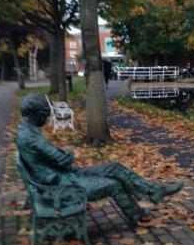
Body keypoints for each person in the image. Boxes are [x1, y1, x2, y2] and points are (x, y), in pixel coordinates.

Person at [16, 94, 184, 223]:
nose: (46, 119)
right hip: (62, 187)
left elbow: (57, 158)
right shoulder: (31, 138)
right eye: (45, 115)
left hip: (65, 176)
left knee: (115, 167)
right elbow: (64, 160)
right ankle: (136, 214)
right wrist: (68, 155)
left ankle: (155, 191)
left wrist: (63, 155)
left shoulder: (28, 131)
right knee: (114, 184)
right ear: (36, 114)